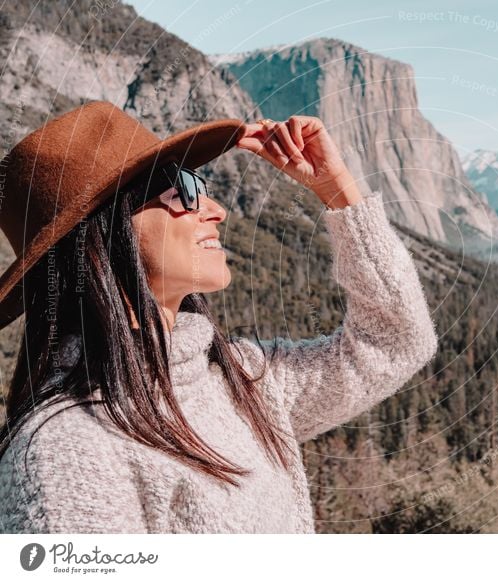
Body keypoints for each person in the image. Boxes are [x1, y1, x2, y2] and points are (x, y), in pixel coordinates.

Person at [0, 101, 438, 533]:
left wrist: (338, 190)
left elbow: (396, 340)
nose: (215, 210)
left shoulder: (244, 382)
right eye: (181, 191)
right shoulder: (68, 448)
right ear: (103, 232)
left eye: (201, 185)